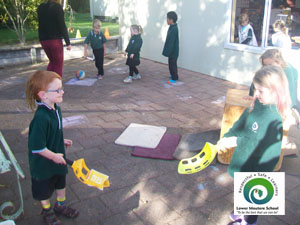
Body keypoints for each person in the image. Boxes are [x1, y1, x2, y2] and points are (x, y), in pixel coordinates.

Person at [218, 65, 291, 225]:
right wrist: (227, 137)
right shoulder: (255, 106)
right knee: (242, 190)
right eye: (255, 89)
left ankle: (249, 221)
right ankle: (242, 210)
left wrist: (236, 141)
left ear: (275, 92)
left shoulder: (274, 118)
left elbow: (259, 143)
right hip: (245, 160)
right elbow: (239, 125)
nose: (255, 94)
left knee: (254, 197)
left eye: (261, 91)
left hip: (259, 167)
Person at [26, 71, 79, 225]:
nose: (62, 91)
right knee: (44, 190)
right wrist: (55, 156)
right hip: (43, 165)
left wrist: (61, 141)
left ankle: (60, 206)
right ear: (43, 95)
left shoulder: (56, 109)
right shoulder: (41, 118)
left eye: (61, 88)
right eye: (58, 90)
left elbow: (53, 132)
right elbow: (37, 148)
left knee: (60, 184)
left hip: (57, 159)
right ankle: (47, 211)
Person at [249, 49, 299, 118]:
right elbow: (255, 84)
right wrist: (252, 97)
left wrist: (284, 111)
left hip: (288, 100)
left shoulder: (287, 72)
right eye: (264, 65)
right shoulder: (266, 68)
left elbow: (290, 96)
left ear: (279, 62)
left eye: (270, 65)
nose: (267, 68)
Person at [38, 0, 71, 77]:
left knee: (52, 62)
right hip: (54, 40)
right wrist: (68, 42)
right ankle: (57, 86)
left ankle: (48, 83)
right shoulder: (57, 7)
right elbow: (62, 26)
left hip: (43, 40)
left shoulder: (40, 7)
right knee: (58, 64)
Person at [162, 11, 179, 83]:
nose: (166, 20)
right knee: (171, 64)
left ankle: (174, 78)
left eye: (167, 19)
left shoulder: (174, 29)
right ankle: (174, 75)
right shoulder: (172, 27)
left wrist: (168, 52)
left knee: (172, 65)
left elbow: (171, 42)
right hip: (172, 51)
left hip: (173, 51)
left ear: (171, 20)